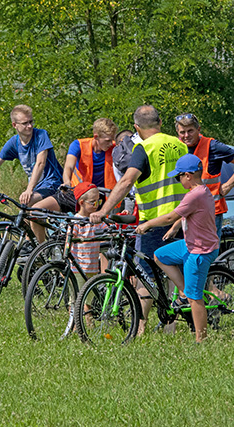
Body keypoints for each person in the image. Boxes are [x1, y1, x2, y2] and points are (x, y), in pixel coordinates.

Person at [90, 105, 187, 333]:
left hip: (155, 220)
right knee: (176, 271)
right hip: (182, 218)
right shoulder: (179, 144)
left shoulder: (143, 148)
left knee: (146, 275)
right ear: (160, 122)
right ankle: (170, 326)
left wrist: (104, 210)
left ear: (136, 128)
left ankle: (140, 326)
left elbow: (126, 182)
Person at [136, 154, 220, 343]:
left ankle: (201, 340)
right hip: (190, 243)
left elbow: (169, 217)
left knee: (195, 298)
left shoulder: (195, 194)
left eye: (179, 176)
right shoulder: (200, 191)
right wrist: (175, 228)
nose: (178, 180)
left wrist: (147, 224)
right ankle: (183, 292)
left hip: (200, 250)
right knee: (160, 255)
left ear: (189, 175)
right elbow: (187, 215)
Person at [28, 118, 118, 243]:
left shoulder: (115, 149)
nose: (110, 143)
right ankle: (41, 250)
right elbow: (68, 166)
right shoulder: (79, 145)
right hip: (76, 193)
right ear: (96, 137)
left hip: (99, 198)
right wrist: (66, 182)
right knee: (35, 211)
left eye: (112, 139)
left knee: (103, 238)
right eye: (107, 140)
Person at [0, 105, 63, 210]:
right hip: (37, 187)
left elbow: (40, 163)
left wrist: (29, 189)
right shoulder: (14, 143)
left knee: (28, 202)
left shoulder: (40, 135)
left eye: (31, 122)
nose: (29, 126)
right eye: (25, 123)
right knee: (25, 215)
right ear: (14, 125)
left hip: (52, 183)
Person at [174, 113, 234, 238]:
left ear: (198, 130)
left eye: (190, 131)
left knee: (207, 253)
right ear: (177, 132)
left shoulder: (212, 146)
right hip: (184, 212)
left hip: (210, 213)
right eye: (182, 132)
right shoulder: (176, 147)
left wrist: (228, 185)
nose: (186, 136)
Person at [70, 182, 109, 287]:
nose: (97, 205)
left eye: (99, 201)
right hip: (77, 269)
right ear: (81, 202)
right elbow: (68, 243)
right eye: (93, 202)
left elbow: (109, 232)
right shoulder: (76, 221)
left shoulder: (97, 220)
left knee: (88, 302)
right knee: (75, 299)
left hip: (93, 269)